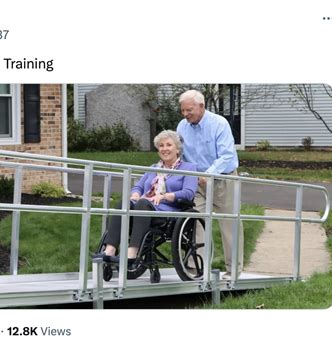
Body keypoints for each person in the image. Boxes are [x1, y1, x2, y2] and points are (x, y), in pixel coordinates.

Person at [94, 130, 198, 268]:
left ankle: (132, 253)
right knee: (124, 203)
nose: (164, 149)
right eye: (161, 145)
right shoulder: (153, 168)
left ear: (177, 149)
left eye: (169, 145)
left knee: (143, 203)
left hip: (167, 212)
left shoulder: (189, 168)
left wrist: (166, 196)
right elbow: (138, 186)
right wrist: (135, 194)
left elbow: (189, 192)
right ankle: (110, 250)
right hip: (144, 206)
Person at [177, 89, 244, 279]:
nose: (185, 114)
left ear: (201, 106)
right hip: (196, 181)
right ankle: (196, 266)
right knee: (195, 221)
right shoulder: (182, 126)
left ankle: (233, 271)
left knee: (229, 224)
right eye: (182, 110)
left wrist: (209, 174)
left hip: (223, 178)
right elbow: (179, 153)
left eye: (189, 110)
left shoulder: (218, 124)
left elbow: (227, 155)